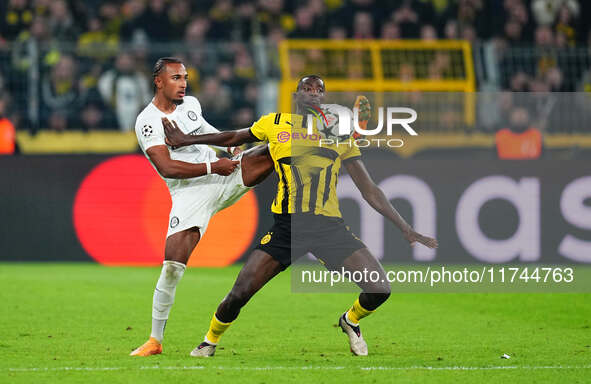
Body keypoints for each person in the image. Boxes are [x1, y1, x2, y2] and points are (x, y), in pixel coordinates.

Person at [163, 75, 438, 357]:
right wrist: (186, 139)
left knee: (380, 289)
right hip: (288, 229)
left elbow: (369, 189)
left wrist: (405, 227)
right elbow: (234, 137)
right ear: (297, 95)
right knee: (240, 292)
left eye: (320, 89)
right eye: (307, 88)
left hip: (329, 228)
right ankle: (209, 341)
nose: (314, 93)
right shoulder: (276, 123)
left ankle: (350, 320)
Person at [129, 57, 273, 357]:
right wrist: (212, 166)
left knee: (277, 148)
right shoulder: (147, 121)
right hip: (189, 192)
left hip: (223, 173)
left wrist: (229, 147)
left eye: (185, 77)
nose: (183, 83)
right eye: (176, 78)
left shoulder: (191, 104)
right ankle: (155, 341)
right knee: (172, 267)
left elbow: (207, 131)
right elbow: (167, 167)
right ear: (159, 81)